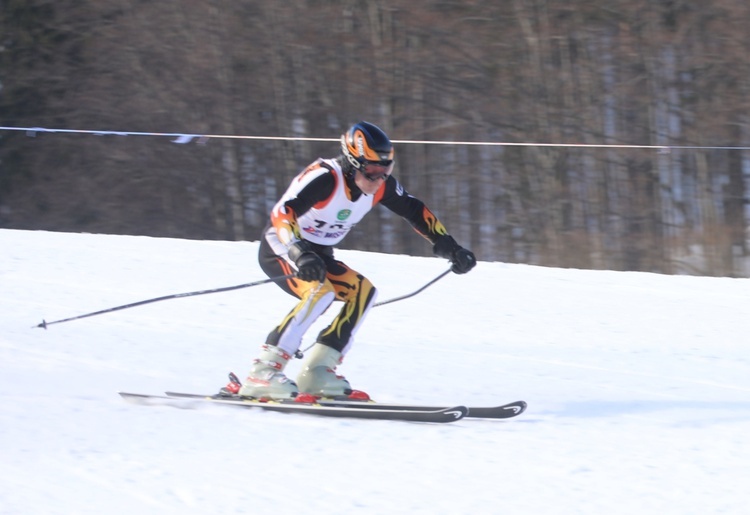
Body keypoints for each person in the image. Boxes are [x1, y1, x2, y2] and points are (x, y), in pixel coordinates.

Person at [233, 121, 476, 401]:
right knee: (320, 292)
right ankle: (262, 372)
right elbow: (282, 213)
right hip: (284, 247)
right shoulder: (326, 178)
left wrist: (450, 247)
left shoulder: (381, 186)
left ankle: (317, 370)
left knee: (363, 292)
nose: (379, 179)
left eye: (386, 170)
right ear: (352, 163)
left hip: (320, 253)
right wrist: (299, 252)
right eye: (372, 171)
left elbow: (414, 209)